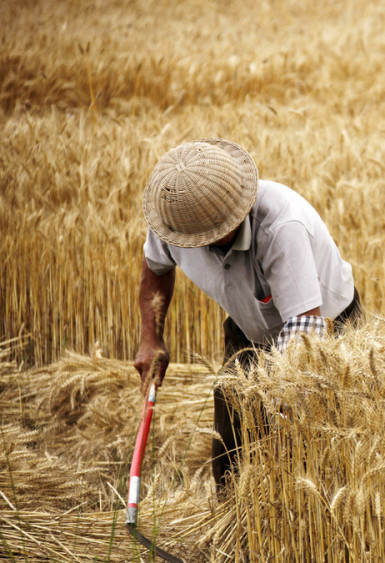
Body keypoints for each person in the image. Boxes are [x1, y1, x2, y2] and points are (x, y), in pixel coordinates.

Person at [132, 138, 361, 492]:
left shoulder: (282, 227)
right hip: (249, 322)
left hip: (324, 328)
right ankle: (232, 512)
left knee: (318, 437)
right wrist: (151, 337)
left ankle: (312, 520)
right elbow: (155, 268)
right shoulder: (176, 216)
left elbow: (304, 331)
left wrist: (281, 407)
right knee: (231, 419)